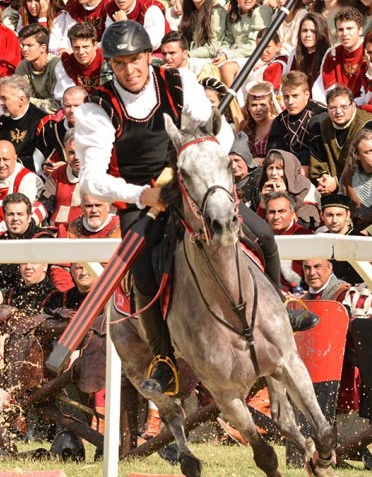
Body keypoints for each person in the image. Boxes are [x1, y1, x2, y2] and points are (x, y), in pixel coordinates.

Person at [75, 21, 312, 396]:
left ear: (148, 56)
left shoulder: (178, 80)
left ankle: (281, 303)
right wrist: (143, 195)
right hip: (142, 200)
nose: (130, 70)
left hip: (192, 184)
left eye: (136, 60)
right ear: (111, 65)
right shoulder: (95, 108)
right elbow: (90, 179)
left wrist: (197, 156)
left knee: (263, 233)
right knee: (143, 274)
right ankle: (164, 358)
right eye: (120, 64)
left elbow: (221, 131)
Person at [307, 86, 372, 190]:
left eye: (344, 107)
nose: (338, 112)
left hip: (368, 185)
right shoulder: (321, 126)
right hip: (330, 184)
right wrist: (324, 178)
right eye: (333, 108)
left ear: (353, 105)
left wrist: (338, 181)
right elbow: (318, 160)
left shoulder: (370, 126)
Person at [0, 140, 44, 233]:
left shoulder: (27, 179)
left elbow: (22, 218)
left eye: (5, 159)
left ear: (15, 158)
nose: (1, 164)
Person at [266, 71, 326, 167]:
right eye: (286, 97)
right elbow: (274, 152)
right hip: (288, 169)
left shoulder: (320, 114)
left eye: (295, 96)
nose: (290, 102)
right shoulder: (281, 120)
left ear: (307, 94)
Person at [0, 75, 48, 172]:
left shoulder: (43, 121)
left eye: (4, 98)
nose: (0, 103)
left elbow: (38, 161)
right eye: (0, 98)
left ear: (21, 100)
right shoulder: (0, 122)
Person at [313, 6, 366, 104]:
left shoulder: (369, 51)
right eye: (340, 29)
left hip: (363, 106)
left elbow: (370, 93)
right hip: (336, 107)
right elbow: (320, 91)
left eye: (349, 28)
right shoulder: (333, 53)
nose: (344, 33)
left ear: (360, 30)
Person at [258, 149, 320, 228]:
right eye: (270, 168)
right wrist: (263, 202)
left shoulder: (305, 189)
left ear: (289, 170)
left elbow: (304, 228)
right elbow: (258, 227)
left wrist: (283, 197)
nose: (273, 173)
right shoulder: (265, 189)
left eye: (279, 168)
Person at [264, 191, 311, 290]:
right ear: (266, 215)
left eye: (281, 211)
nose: (276, 217)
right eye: (272, 212)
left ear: (292, 214)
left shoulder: (305, 237)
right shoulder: (261, 237)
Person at [53, 21, 110, 100]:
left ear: (95, 45)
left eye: (85, 47)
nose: (81, 52)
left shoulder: (107, 61)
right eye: (76, 47)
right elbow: (67, 98)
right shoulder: (67, 64)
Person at [35, 86, 86, 171]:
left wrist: (65, 168)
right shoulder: (56, 130)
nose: (72, 110)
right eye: (68, 106)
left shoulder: (99, 128)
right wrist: (47, 167)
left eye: (77, 105)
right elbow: (43, 156)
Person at [41, 129, 83, 229]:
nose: (76, 157)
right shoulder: (57, 174)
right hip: (57, 235)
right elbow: (43, 204)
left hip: (88, 236)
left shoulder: (103, 175)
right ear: (65, 152)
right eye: (72, 153)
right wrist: (32, 219)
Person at [15, 24, 60, 114]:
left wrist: (29, 102)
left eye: (29, 45)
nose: (24, 49)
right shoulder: (23, 67)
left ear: (43, 47)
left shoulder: (57, 66)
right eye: (23, 45)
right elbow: (19, 99)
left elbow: (57, 105)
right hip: (33, 114)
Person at [103, 0, 167, 51]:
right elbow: (108, 40)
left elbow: (152, 44)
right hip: (124, 54)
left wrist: (125, 25)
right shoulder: (111, 7)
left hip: (158, 55)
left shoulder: (150, 8)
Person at [239, 81, 280, 160]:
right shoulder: (244, 126)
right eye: (254, 105)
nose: (258, 109)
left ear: (270, 104)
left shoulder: (279, 123)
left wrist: (261, 162)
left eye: (262, 105)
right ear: (248, 106)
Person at [288, 12, 331, 86]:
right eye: (304, 30)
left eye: (313, 31)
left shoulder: (329, 56)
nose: (308, 35)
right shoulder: (294, 54)